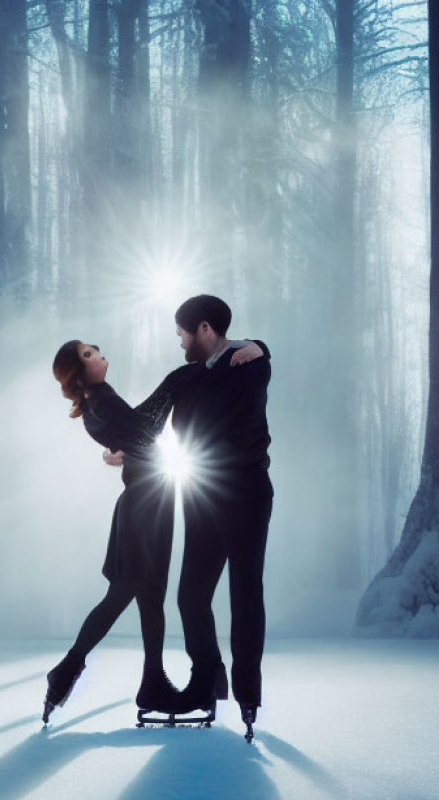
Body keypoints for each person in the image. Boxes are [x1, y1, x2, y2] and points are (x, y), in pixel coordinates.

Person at [44, 340, 193, 723]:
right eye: (88, 353)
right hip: (146, 503)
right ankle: (68, 669)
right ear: (79, 372)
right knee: (128, 590)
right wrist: (174, 383)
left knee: (149, 594)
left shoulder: (99, 402)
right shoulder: (102, 400)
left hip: (148, 500)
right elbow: (146, 432)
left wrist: (118, 450)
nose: (97, 350)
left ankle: (152, 681)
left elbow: (133, 432)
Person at [169, 295, 273, 743]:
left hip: (245, 494)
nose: (181, 344)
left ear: (205, 329)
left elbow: (217, 414)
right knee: (191, 595)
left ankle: (248, 696)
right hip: (202, 494)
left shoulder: (247, 365)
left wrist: (260, 346)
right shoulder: (200, 374)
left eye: (183, 334)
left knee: (245, 596)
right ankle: (208, 680)